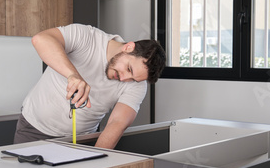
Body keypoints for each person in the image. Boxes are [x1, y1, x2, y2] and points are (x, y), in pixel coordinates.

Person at [13, 23, 166, 149]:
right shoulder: (87, 36)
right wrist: (73, 75)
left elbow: (117, 123)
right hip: (33, 130)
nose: (125, 78)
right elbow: (41, 39)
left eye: (133, 79)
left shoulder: (137, 86)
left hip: (81, 141)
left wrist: (94, 157)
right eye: (129, 69)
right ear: (128, 47)